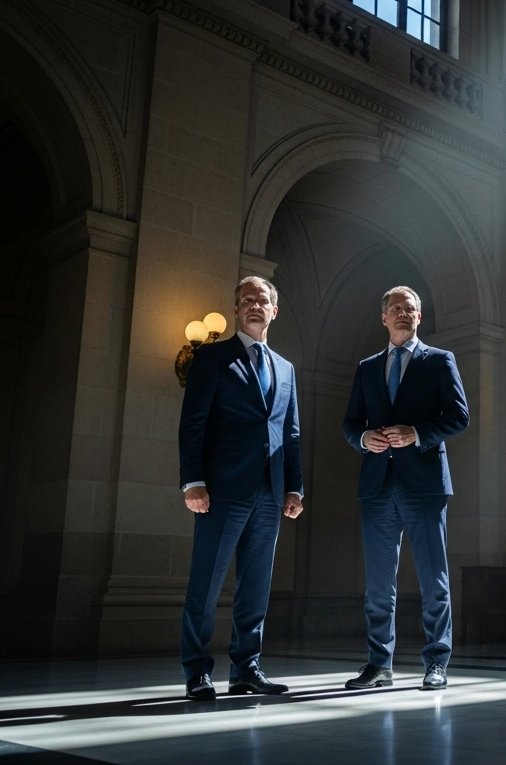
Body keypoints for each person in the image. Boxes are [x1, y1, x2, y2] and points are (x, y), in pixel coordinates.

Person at [178, 276, 304, 700]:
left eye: (262, 300)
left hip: (270, 493)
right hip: (222, 489)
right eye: (246, 300)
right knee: (206, 583)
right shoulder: (212, 357)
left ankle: (246, 668)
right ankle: (197, 671)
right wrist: (193, 481)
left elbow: (291, 433)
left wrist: (295, 488)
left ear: (274, 310)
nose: (254, 305)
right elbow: (193, 423)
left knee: (256, 586)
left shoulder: (285, 368)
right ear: (235, 311)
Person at [341, 286, 469, 691]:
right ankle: (379, 665)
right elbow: (350, 423)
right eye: (395, 309)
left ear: (419, 317)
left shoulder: (439, 361)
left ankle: (437, 662)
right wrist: (364, 440)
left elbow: (459, 416)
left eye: (409, 309)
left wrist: (417, 432)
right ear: (384, 318)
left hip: (425, 486)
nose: (402, 314)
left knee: (434, 580)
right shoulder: (366, 367)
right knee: (379, 584)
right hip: (377, 487)